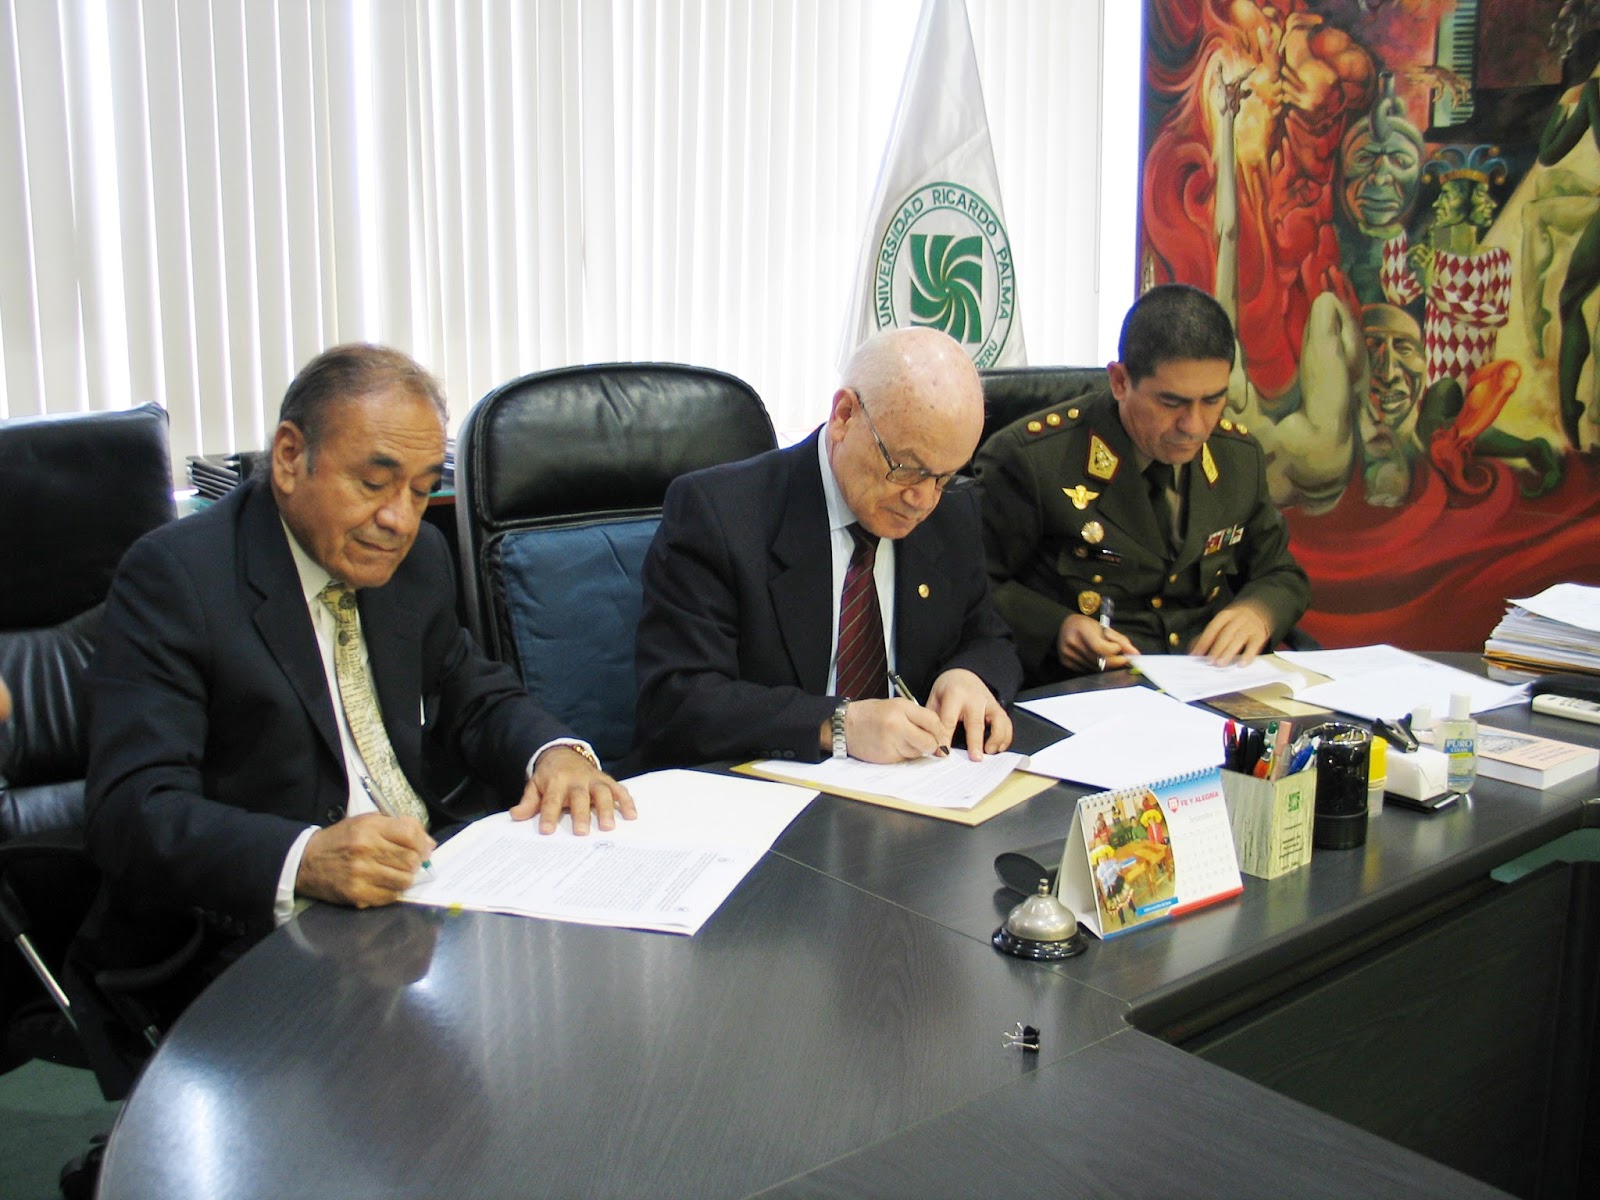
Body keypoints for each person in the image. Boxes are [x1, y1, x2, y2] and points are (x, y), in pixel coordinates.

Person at [83, 345, 634, 993]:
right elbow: (131, 811)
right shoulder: (178, 578)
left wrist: (554, 754)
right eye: (374, 484)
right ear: (290, 457)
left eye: (423, 487)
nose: (399, 518)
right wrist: (305, 858)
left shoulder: (418, 558)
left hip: (424, 898)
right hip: (256, 936)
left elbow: (472, 690)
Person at [633, 327, 1021, 768]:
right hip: (763, 798)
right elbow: (678, 703)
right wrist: (839, 725)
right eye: (907, 469)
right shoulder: (720, 514)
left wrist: (971, 675)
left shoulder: (953, 512)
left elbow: (989, 637)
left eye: (944, 476)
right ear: (844, 416)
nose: (924, 500)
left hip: (911, 796)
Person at [975, 284, 1310, 684]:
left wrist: (1259, 611)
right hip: (1088, 691)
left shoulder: (1238, 456)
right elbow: (973, 584)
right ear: (1119, 381)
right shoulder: (1033, 459)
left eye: (1213, 400)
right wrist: (1056, 627)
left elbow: (1281, 572)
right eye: (1172, 403)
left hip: (1210, 684)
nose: (1194, 426)